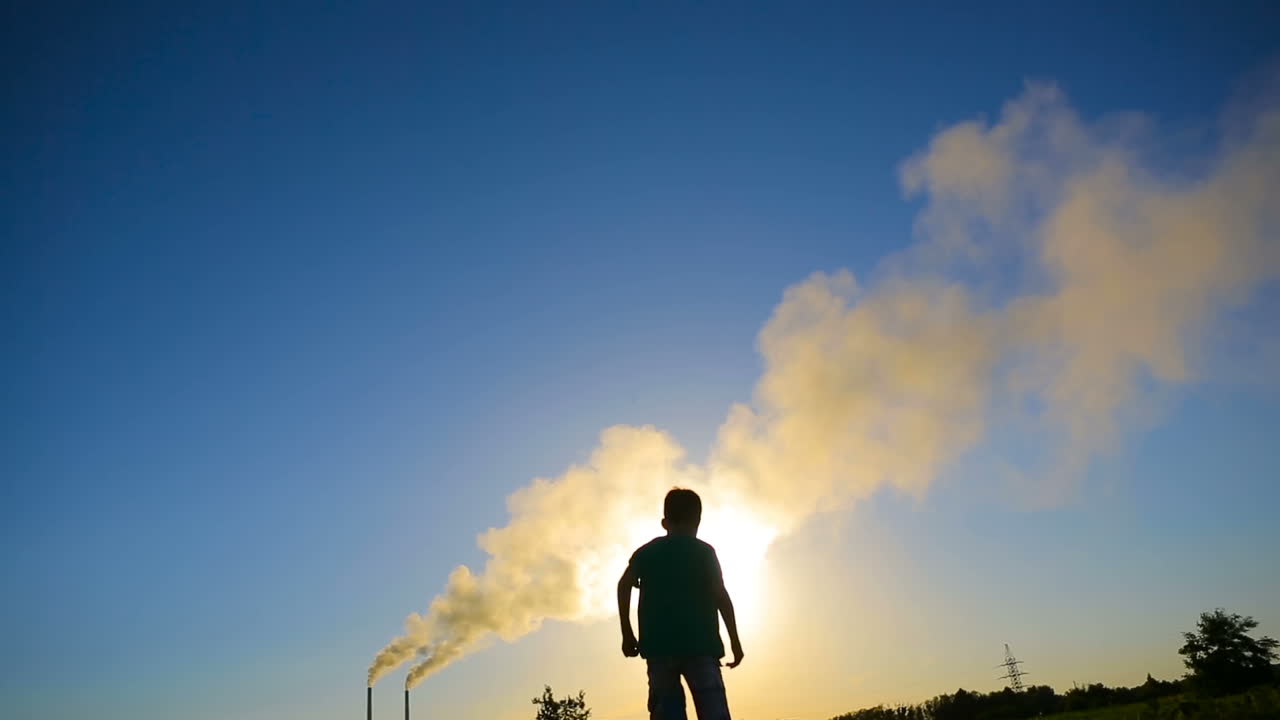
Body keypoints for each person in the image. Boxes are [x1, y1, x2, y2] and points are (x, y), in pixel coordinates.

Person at [617, 488, 744, 720]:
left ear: (665, 522)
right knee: (713, 711)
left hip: (659, 648)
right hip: (701, 647)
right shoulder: (704, 552)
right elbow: (720, 595)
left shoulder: (646, 553)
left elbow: (623, 585)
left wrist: (627, 633)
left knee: (667, 711)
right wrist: (735, 641)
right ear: (698, 520)